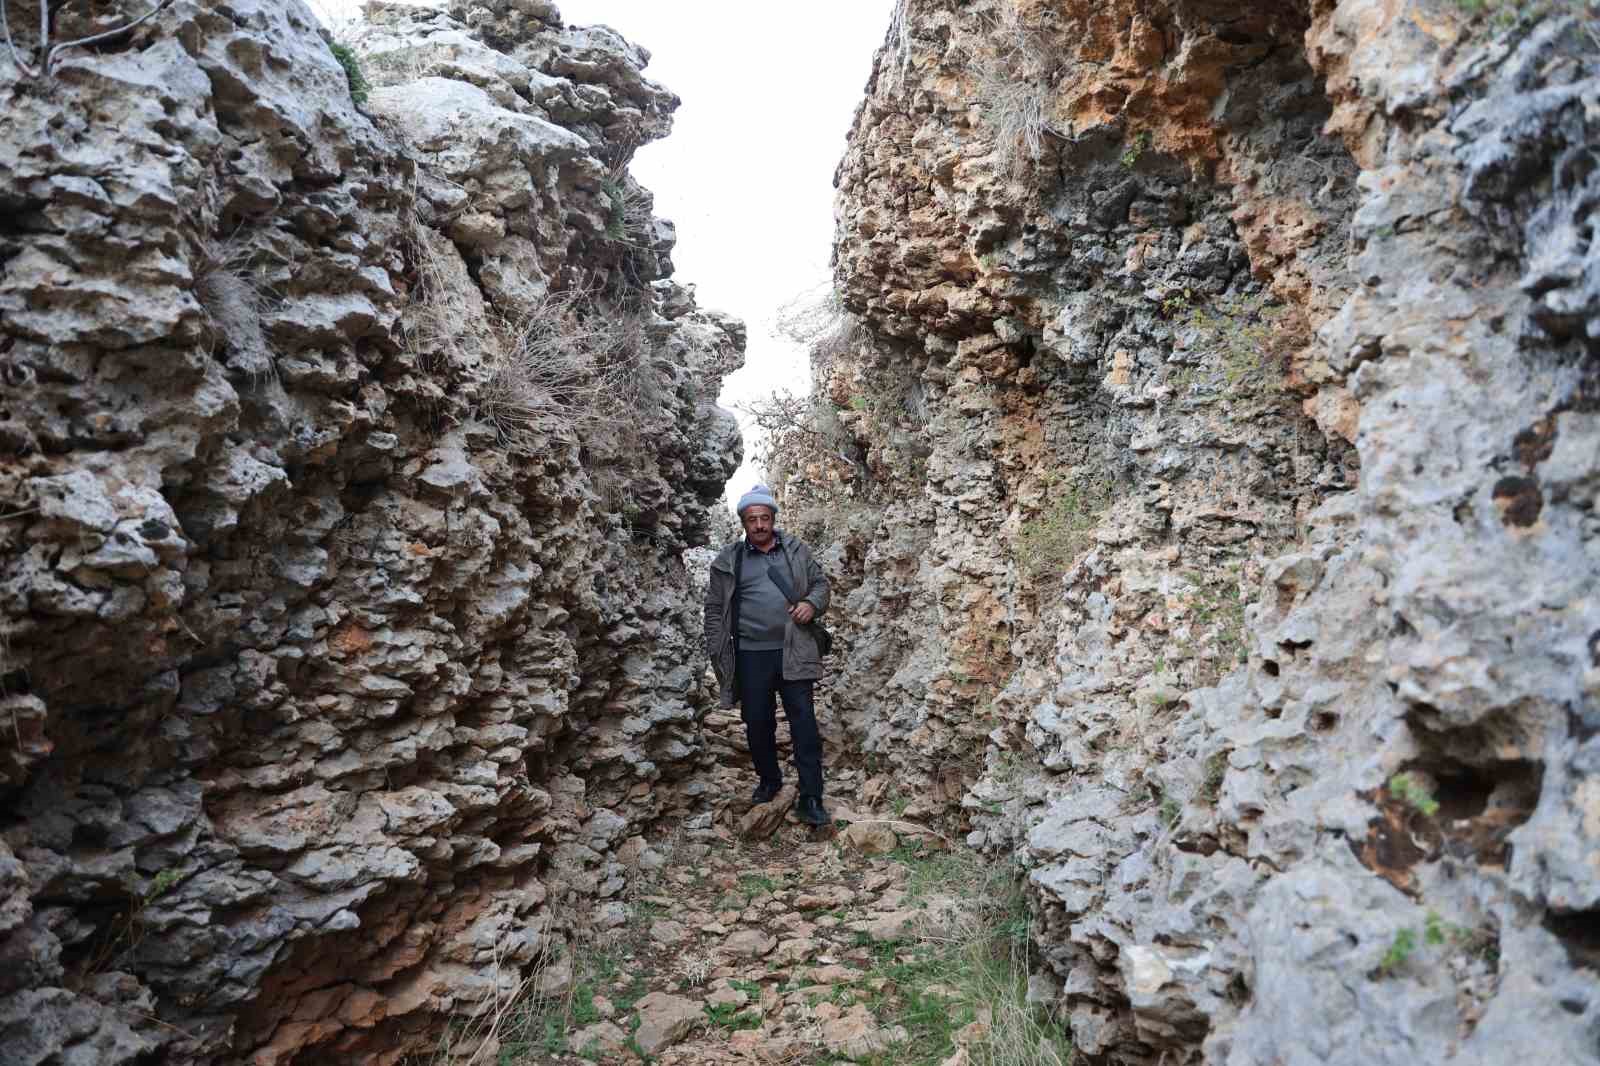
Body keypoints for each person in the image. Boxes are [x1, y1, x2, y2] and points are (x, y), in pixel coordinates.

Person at [703, 484, 831, 826]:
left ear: (773, 518)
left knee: (803, 723)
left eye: (764, 518)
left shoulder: (795, 550)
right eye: (751, 520)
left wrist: (810, 604)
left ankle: (811, 796)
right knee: (757, 723)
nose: (759, 525)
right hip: (750, 655)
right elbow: (715, 608)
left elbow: (821, 584)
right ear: (743, 523)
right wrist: (718, 649)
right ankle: (769, 780)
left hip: (795, 651)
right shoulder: (729, 560)